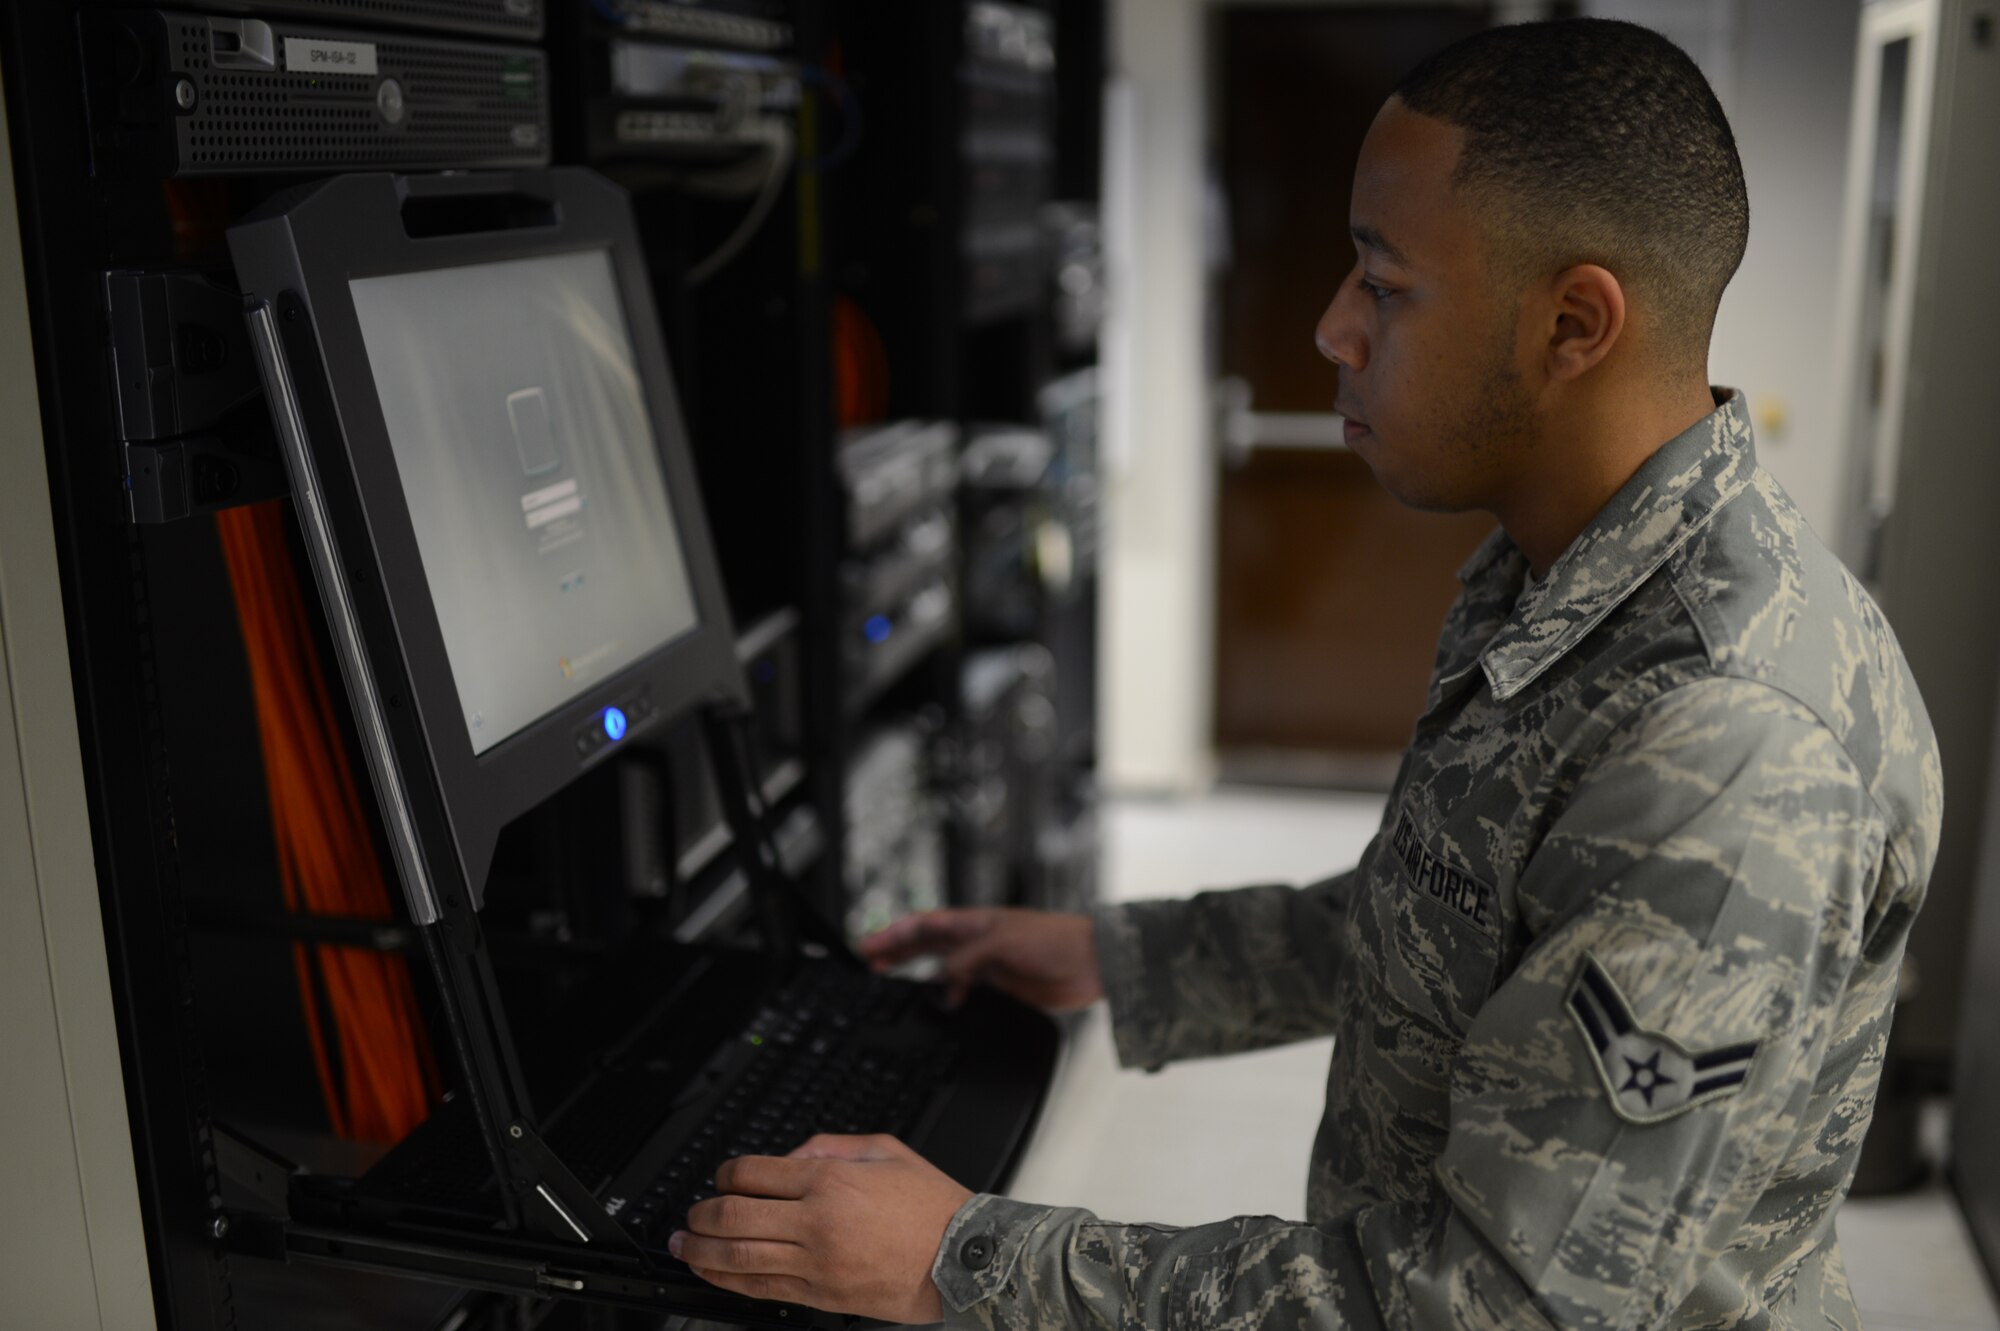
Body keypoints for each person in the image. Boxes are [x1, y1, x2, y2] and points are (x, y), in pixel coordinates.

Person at [669, 18, 1942, 1329]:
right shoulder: (1562, 569)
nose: (1331, 328)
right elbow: (1457, 915)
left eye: (1384, 286)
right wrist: (1122, 955)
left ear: (1574, 323)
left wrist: (968, 1258)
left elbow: (1488, 1311)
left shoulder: (1726, 744)